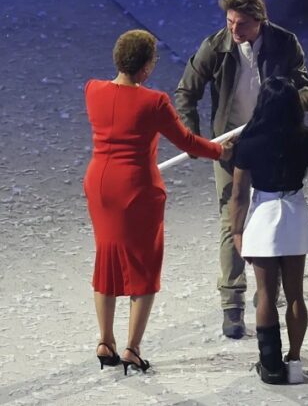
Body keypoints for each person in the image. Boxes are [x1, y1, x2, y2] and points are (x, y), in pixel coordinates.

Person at [175, 0, 308, 339]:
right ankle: (232, 301)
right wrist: (199, 142)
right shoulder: (216, 46)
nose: (233, 30)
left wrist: (295, 102)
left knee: (276, 215)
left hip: (274, 142)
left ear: (259, 21)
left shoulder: (285, 43)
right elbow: (185, 93)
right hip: (230, 145)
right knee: (233, 218)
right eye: (229, 21)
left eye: (240, 24)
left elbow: (304, 88)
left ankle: (271, 290)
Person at [84, 29, 232, 375]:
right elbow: (186, 142)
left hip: (99, 185)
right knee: (144, 268)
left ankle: (105, 340)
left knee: (106, 259)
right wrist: (218, 150)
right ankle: (132, 348)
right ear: (147, 67)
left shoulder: (92, 90)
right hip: (136, 191)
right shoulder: (154, 101)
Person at [229, 77, 308, 384]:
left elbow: (239, 194)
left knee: (267, 294)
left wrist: (236, 231)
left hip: (264, 215)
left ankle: (270, 365)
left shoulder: (249, 139)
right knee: (296, 294)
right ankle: (294, 363)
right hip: (295, 213)